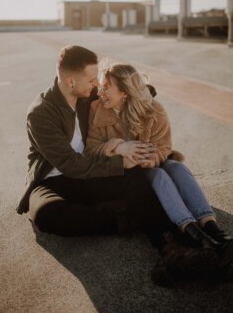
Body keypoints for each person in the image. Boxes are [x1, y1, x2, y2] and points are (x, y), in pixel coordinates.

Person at [15, 45, 224, 287]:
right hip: (55, 179)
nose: (96, 85)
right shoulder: (41, 113)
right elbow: (71, 165)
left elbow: (134, 89)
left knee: (134, 175)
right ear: (70, 81)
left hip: (94, 172)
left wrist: (137, 102)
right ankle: (130, 216)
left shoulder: (87, 94)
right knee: (46, 214)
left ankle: (172, 249)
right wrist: (118, 157)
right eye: (92, 80)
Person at [85, 62, 233, 284]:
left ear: (124, 93)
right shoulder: (97, 109)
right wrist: (118, 146)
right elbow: (92, 146)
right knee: (160, 175)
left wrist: (149, 159)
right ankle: (193, 233)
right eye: (102, 86)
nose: (100, 91)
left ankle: (215, 233)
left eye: (107, 87)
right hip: (125, 173)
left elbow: (164, 148)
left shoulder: (154, 110)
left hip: (153, 164)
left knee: (177, 166)